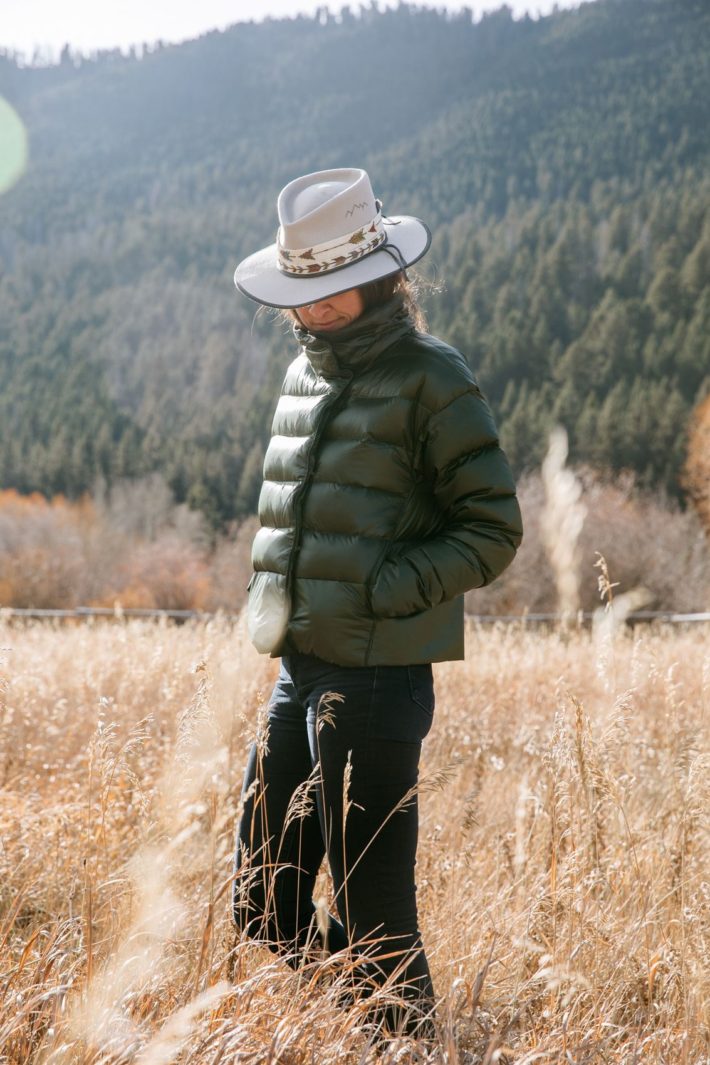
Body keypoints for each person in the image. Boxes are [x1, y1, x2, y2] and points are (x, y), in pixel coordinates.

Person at [231, 167, 522, 1039]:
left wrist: (385, 588)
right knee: (258, 898)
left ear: (379, 277)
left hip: (381, 674)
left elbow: (492, 528)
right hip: (301, 666)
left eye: (330, 290)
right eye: (301, 290)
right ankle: (381, 1021)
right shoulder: (302, 374)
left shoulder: (433, 376)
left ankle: (401, 1034)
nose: (312, 307)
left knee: (377, 917)